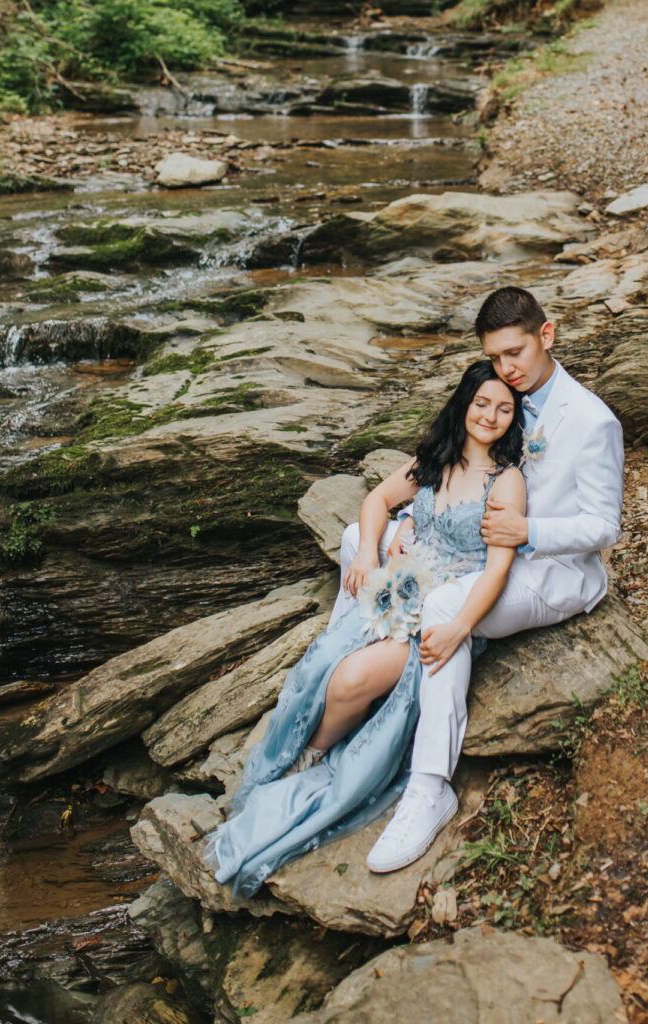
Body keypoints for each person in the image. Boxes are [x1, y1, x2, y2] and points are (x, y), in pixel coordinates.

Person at [204, 360, 525, 899]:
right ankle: (306, 751)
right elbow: (377, 500)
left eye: (504, 408)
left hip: (443, 609)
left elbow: (497, 570)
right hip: (399, 586)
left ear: (513, 418)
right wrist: (372, 553)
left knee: (350, 679)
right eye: (482, 403)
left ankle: (317, 761)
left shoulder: (506, 480)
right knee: (324, 663)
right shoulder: (436, 458)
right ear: (464, 404)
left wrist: (459, 626)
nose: (491, 416)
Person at [335, 284, 624, 874]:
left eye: (515, 353)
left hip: (547, 568)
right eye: (494, 358)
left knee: (445, 607)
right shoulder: (498, 398)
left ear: (548, 334)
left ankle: (430, 786)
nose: (505, 369)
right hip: (479, 547)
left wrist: (530, 531)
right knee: (354, 539)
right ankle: (364, 648)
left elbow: (604, 526)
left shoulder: (593, 421)